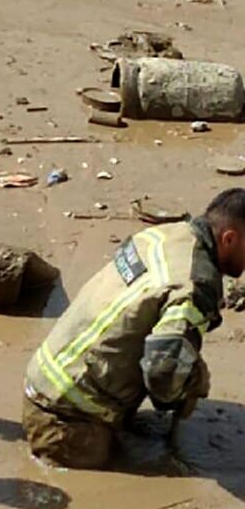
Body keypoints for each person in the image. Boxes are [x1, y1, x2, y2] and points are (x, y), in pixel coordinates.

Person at [23, 190, 245, 468]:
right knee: (189, 372)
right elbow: (163, 371)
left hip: (43, 378)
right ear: (229, 239)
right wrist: (177, 396)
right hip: (68, 422)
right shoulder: (195, 285)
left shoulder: (164, 235)